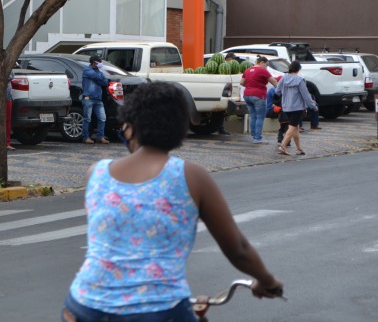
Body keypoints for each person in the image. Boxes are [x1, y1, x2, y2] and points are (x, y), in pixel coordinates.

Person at [63, 82, 283, 321]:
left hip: (84, 305)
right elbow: (238, 249)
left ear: (130, 127)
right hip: (159, 308)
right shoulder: (191, 176)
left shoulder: (95, 173)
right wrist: (267, 281)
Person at [276, 60, 318, 156]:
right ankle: (283, 146)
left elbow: (277, 91)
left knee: (295, 128)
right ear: (299, 69)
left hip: (286, 107)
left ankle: (299, 149)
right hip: (297, 107)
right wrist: (313, 106)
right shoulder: (300, 80)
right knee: (292, 127)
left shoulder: (283, 78)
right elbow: (306, 96)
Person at [240, 56, 278, 143]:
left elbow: (242, 82)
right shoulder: (262, 70)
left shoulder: (247, 70)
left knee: (253, 116)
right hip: (258, 95)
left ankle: (253, 135)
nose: (266, 67)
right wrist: (279, 91)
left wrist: (250, 87)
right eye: (266, 65)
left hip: (247, 95)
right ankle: (257, 138)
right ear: (262, 62)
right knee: (260, 117)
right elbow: (274, 81)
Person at [82, 55, 110, 144]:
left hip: (98, 99)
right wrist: (100, 78)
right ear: (95, 62)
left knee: (102, 118)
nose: (101, 63)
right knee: (87, 119)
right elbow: (98, 77)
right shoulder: (87, 70)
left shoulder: (98, 71)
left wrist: (100, 78)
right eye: (100, 62)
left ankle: (100, 137)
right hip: (88, 98)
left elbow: (105, 82)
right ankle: (86, 137)